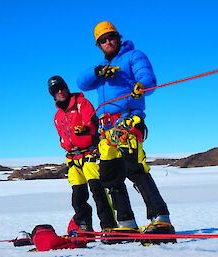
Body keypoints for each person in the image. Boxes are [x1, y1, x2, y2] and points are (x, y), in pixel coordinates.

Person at [77, 21, 176, 243]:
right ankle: (126, 223)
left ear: (118, 37)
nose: (108, 42)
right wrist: (98, 71)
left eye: (111, 37)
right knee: (110, 176)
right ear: (99, 45)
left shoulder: (133, 56)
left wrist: (142, 86)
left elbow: (148, 78)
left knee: (135, 168)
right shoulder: (101, 70)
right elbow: (81, 82)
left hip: (127, 120)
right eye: (102, 40)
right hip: (107, 128)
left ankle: (161, 218)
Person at [48, 75, 117, 234]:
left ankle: (109, 226)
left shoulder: (81, 103)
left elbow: (92, 123)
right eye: (56, 90)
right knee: (78, 198)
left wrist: (86, 130)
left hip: (89, 155)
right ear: (53, 94)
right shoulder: (57, 117)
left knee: (98, 191)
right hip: (72, 159)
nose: (61, 91)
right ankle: (84, 227)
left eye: (62, 88)